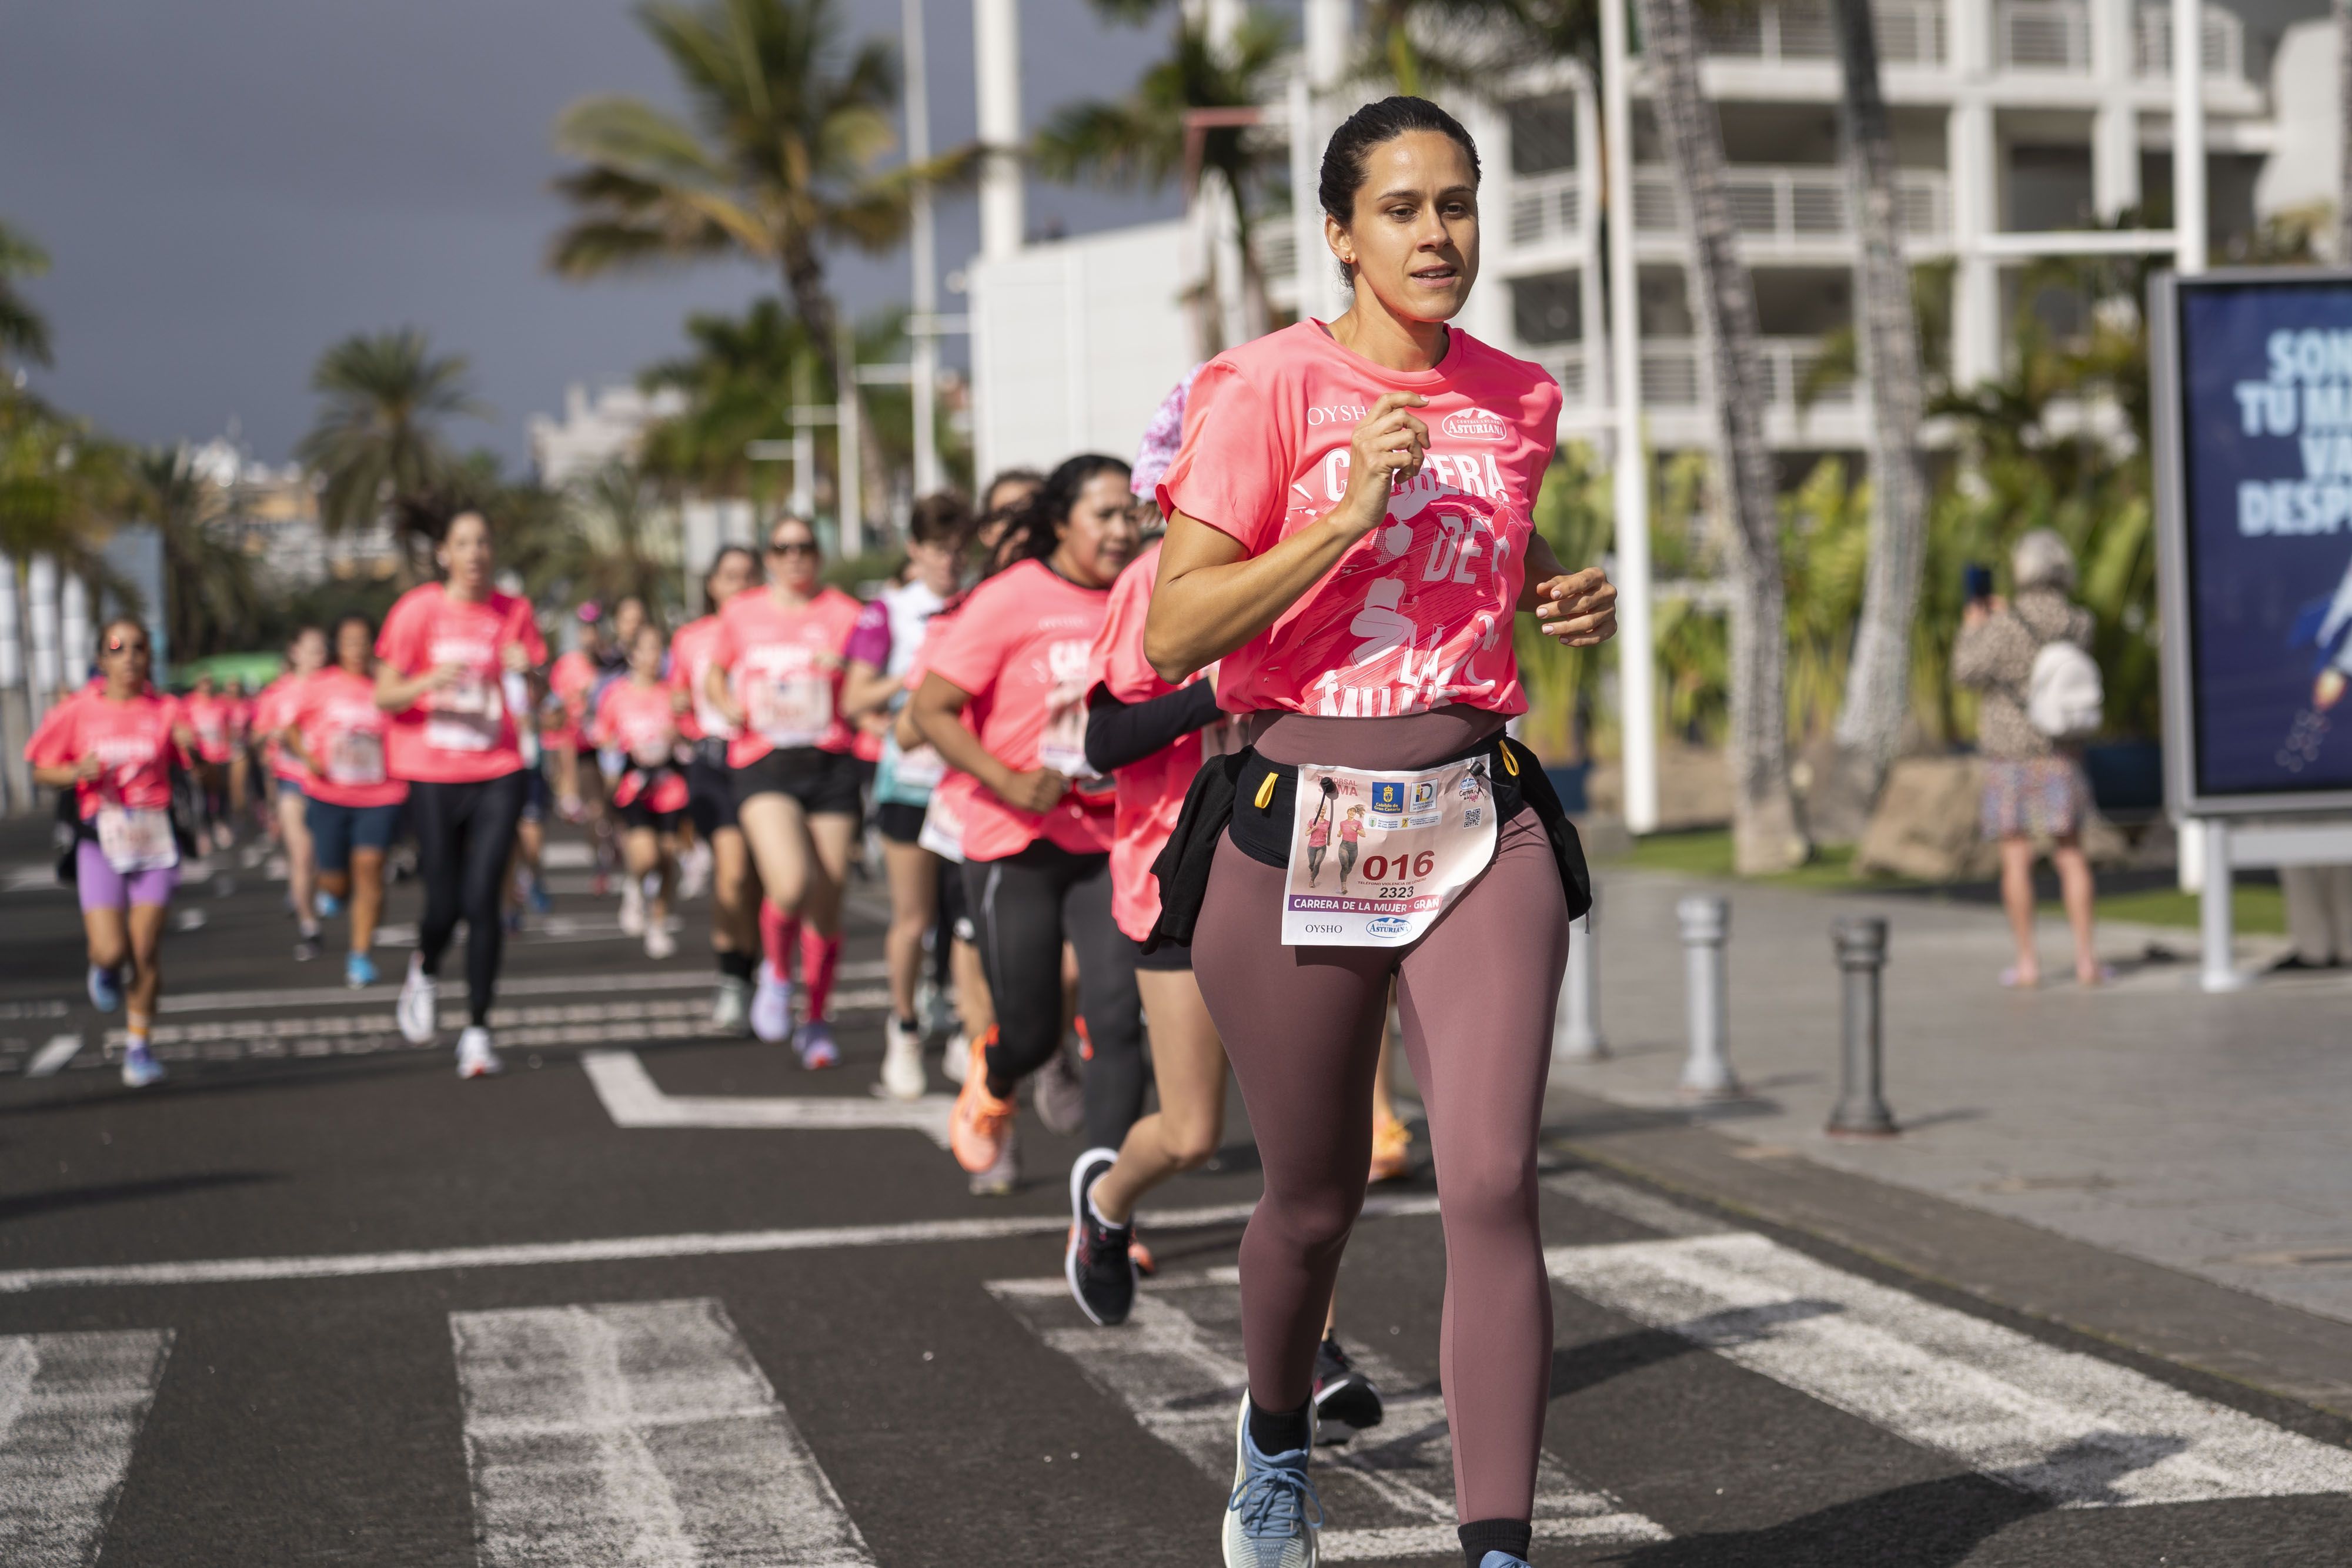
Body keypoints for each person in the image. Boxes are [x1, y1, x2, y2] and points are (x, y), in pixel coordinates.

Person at [1143, 98, 1616, 1568]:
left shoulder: (1519, 397)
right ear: (1340, 235)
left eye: (1458, 204)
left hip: (1478, 817)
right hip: (1299, 825)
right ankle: (1273, 1441)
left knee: (1488, 1179)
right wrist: (1342, 522)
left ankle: (1496, 1548)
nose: (1437, 234)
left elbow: (1487, 522)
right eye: (1403, 209)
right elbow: (1173, 632)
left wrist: (1547, 585)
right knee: (1309, 1200)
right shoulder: (1264, 389)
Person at [1063, 410, 1387, 1440]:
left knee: (1313, 1135)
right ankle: (1108, 1207)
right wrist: (1218, 690)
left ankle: (1318, 1351)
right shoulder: (1154, 580)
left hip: (1311, 848)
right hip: (1179, 866)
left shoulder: (1325, 553)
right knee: (1197, 1131)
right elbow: (1109, 733)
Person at [911, 454, 1146, 1197]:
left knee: (1116, 1020)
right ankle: (997, 1074)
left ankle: (1105, 1210)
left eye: (1129, 515)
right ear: (1059, 522)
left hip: (1109, 840)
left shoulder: (1147, 593)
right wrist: (1008, 779)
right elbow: (929, 711)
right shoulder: (1011, 600)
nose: (1120, 530)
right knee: (1031, 1028)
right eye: (1103, 515)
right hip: (1015, 839)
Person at [703, 514, 888, 1066]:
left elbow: (865, 681)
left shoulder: (845, 614)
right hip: (763, 761)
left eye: (805, 546)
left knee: (828, 901)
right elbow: (715, 673)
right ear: (769, 556)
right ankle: (777, 974)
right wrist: (728, 702)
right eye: (782, 547)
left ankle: (815, 1019)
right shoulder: (742, 612)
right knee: (790, 883)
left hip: (829, 763)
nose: (794, 557)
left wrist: (845, 670)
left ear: (819, 554)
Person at [375, 510, 548, 1077]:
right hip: (430, 771)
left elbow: (539, 694)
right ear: (445, 554)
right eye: (463, 543)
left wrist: (530, 672)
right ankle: (424, 967)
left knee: (485, 901)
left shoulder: (514, 612)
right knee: (443, 903)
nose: (475, 552)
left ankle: (477, 1029)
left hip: (498, 768)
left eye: (484, 542)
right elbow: (386, 695)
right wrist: (431, 679)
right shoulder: (418, 610)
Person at [26, 617, 195, 1088]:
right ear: (101, 659)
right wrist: (75, 770)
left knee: (144, 948)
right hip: (100, 837)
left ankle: (139, 1047)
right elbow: (41, 768)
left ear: (148, 657)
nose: (129, 657)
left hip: (155, 839)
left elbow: (204, 773)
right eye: (117, 648)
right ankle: (102, 968)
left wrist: (195, 752)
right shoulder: (78, 710)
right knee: (112, 949)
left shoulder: (167, 709)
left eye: (138, 647)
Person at [1955, 528, 2105, 989]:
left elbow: (1965, 672)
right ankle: (2086, 961)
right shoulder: (2080, 623)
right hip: (2062, 751)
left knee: (2016, 856)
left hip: (2010, 755)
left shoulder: (2004, 625)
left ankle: (2028, 964)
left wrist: (1973, 627)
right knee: (2071, 854)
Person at [865, 493, 971, 1098]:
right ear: (914, 550)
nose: (947, 562)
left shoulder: (980, 603)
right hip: (906, 782)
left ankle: (961, 1025)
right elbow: (854, 697)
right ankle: (903, 1030)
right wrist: (909, 686)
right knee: (913, 917)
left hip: (963, 785)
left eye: (958, 550)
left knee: (963, 921)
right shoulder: (889, 613)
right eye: (936, 550)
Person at [285, 614, 407, 988]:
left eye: (364, 640)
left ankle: (361, 955)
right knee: (336, 883)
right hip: (330, 794)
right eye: (349, 641)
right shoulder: (320, 686)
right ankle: (335, 891)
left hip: (381, 793)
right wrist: (308, 758)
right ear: (338, 647)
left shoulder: (387, 687)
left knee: (371, 867)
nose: (357, 648)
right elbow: (291, 729)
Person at [671, 544, 765, 1028]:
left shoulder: (772, 626)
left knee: (764, 882)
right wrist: (680, 706)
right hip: (713, 761)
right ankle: (732, 980)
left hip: (767, 757)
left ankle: (760, 975)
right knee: (732, 873)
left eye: (749, 576)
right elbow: (678, 699)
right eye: (730, 576)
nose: (740, 585)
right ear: (712, 585)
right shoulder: (691, 637)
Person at [595, 620, 691, 960]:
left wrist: (676, 737)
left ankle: (659, 923)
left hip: (670, 786)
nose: (654, 656)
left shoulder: (673, 695)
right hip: (633, 786)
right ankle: (635, 889)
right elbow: (603, 739)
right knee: (645, 856)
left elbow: (688, 741)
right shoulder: (616, 695)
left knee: (667, 857)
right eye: (647, 648)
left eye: (658, 649)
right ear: (633, 654)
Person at [252, 627, 329, 958]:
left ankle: (315, 897)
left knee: (326, 858)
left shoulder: (334, 688)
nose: (318, 657)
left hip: (330, 783)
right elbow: (255, 738)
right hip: (292, 782)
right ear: (294, 652)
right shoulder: (277, 694)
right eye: (311, 650)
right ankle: (309, 924)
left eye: (322, 650)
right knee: (302, 856)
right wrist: (275, 734)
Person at [180, 671, 237, 852]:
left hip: (220, 757)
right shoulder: (188, 705)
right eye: (203, 683)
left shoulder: (220, 704)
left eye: (209, 683)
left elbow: (227, 728)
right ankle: (203, 831)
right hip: (200, 760)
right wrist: (190, 759)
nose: (207, 687)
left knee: (221, 794)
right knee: (200, 798)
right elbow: (185, 733)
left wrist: (229, 748)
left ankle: (221, 824)